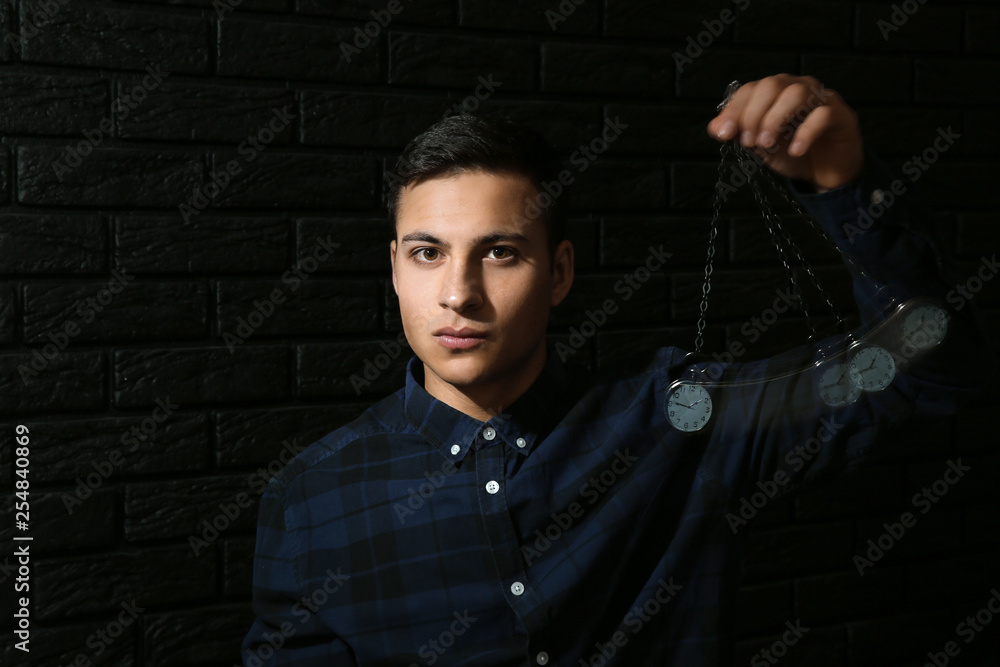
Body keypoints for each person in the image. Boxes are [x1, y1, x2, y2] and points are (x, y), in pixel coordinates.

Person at [240, 74, 994, 666]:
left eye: (499, 251)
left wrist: (843, 182)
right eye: (427, 252)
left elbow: (933, 368)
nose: (458, 293)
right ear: (397, 270)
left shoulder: (676, 420)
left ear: (560, 272)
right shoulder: (313, 498)